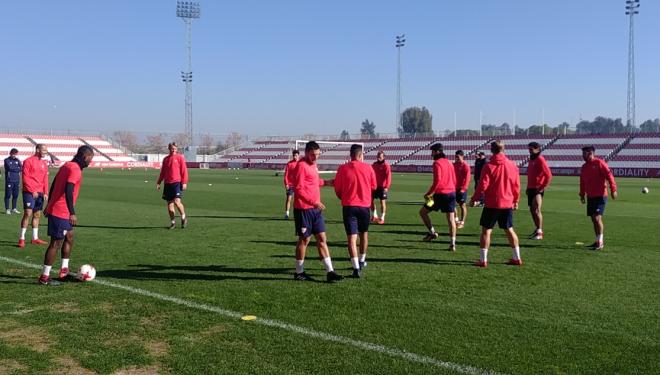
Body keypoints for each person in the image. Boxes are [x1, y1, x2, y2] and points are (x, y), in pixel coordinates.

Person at [38, 145, 94, 285]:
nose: (90, 162)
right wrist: (72, 213)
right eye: (90, 158)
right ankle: (44, 277)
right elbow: (68, 189)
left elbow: (55, 183)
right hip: (61, 211)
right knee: (56, 242)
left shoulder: (67, 165)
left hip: (58, 208)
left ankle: (64, 270)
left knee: (69, 236)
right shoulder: (75, 169)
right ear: (84, 156)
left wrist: (49, 203)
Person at [292, 141, 343, 283]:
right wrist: (314, 202)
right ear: (306, 152)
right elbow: (299, 189)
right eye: (313, 155)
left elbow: (313, 181)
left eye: (318, 154)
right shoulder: (301, 166)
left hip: (315, 210)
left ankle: (330, 271)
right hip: (304, 209)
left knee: (322, 239)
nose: (316, 157)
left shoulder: (313, 165)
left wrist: (326, 182)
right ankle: (299, 272)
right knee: (304, 240)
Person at [469, 140, 522, 267]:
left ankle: (483, 260)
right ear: (504, 149)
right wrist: (516, 200)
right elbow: (516, 185)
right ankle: (517, 257)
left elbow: (483, 185)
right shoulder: (512, 165)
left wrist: (474, 198)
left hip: (492, 203)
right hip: (507, 202)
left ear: (492, 150)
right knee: (509, 229)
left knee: (486, 231)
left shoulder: (488, 166)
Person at [334, 144, 377, 278]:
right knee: (364, 234)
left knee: (351, 238)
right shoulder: (368, 168)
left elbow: (338, 189)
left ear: (351, 155)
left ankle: (356, 268)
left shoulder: (342, 168)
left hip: (349, 206)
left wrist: (344, 197)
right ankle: (362, 260)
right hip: (364, 206)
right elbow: (373, 186)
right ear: (360, 155)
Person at [419, 143, 458, 251]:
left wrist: (429, 194)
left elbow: (437, 181)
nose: (431, 154)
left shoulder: (437, 163)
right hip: (451, 194)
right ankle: (452, 244)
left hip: (439, 195)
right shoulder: (449, 163)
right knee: (451, 219)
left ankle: (432, 232)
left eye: (432, 151)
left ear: (437, 152)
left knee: (423, 212)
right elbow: (454, 179)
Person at [579, 145, 617, 250]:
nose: (583, 155)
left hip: (600, 195)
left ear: (591, 153)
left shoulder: (599, 163)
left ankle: (600, 242)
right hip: (590, 196)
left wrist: (613, 189)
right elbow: (582, 182)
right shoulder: (584, 167)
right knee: (593, 219)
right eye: (582, 153)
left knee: (596, 218)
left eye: (584, 153)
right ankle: (597, 240)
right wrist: (582, 194)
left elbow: (609, 176)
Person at [18, 144, 50, 248]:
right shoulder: (28, 161)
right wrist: (32, 191)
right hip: (29, 191)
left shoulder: (44, 163)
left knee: (37, 215)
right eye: (44, 150)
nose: (46, 152)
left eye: (46, 150)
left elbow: (45, 178)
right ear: (37, 150)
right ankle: (21, 238)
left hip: (40, 192)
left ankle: (35, 238)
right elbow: (25, 177)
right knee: (28, 213)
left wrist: (45, 192)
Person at [157, 142, 189, 229]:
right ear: (169, 149)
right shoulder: (166, 159)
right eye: (172, 148)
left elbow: (184, 171)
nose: (173, 150)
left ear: (177, 149)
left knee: (177, 202)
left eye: (175, 148)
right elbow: (163, 172)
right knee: (170, 204)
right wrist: (159, 182)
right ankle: (173, 222)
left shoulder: (180, 158)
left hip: (176, 183)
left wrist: (184, 182)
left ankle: (183, 217)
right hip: (167, 184)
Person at [526, 142, 552, 240]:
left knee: (536, 209)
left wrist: (542, 187)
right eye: (529, 149)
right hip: (531, 188)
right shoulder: (531, 160)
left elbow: (548, 175)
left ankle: (540, 232)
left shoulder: (540, 159)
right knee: (532, 210)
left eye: (531, 149)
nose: (530, 151)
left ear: (537, 149)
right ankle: (537, 229)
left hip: (538, 189)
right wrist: (528, 188)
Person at [370, 150, 391, 225]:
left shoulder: (386, 166)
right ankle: (374, 215)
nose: (378, 158)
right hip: (374, 186)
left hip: (382, 187)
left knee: (382, 202)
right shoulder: (374, 165)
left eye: (380, 157)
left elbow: (388, 177)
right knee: (370, 201)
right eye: (378, 156)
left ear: (383, 157)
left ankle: (382, 218)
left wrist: (386, 187)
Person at [453, 150, 471, 229]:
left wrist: (463, 189)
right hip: (453, 188)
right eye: (456, 156)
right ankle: (456, 220)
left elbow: (467, 178)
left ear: (462, 156)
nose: (456, 158)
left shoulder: (465, 165)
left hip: (461, 189)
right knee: (452, 204)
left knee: (462, 205)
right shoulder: (454, 164)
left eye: (458, 157)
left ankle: (462, 222)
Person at [283, 149, 300, 219]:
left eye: (296, 155)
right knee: (289, 199)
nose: (295, 157)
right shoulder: (289, 164)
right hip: (290, 184)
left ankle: (298, 214)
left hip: (299, 185)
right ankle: (287, 213)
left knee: (299, 200)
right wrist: (286, 184)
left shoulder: (301, 163)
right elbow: (286, 175)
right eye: (294, 155)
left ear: (299, 155)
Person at [4, 148, 22, 215]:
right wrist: (17, 168)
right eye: (13, 154)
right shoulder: (6, 160)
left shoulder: (17, 160)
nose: (14, 155)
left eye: (15, 154)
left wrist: (16, 168)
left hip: (17, 180)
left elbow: (21, 168)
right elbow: (10, 168)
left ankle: (14, 208)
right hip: (9, 180)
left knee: (15, 195)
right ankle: (7, 209)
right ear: (10, 153)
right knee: (8, 195)